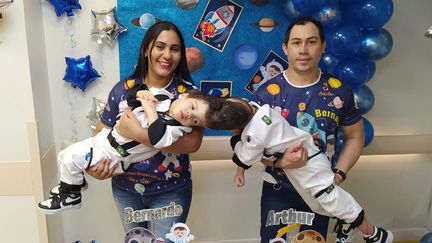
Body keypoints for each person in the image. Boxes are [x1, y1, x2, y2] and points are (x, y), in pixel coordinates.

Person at [248, 17, 381, 243]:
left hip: (320, 191)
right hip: (278, 189)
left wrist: (338, 175)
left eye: (311, 42)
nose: (303, 50)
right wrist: (280, 163)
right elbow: (252, 147)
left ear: (323, 46)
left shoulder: (340, 91)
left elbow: (355, 137)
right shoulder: (266, 94)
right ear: (285, 47)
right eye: (296, 42)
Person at [37, 83, 249, 214]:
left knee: (72, 158)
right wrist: (141, 95)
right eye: (192, 108)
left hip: (115, 155)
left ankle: (71, 197)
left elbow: (156, 137)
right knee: (65, 154)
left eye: (195, 121)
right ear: (185, 96)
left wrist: (149, 110)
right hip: (105, 140)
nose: (189, 116)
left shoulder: (175, 130)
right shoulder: (164, 100)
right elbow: (131, 99)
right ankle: (72, 187)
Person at [83, 21, 203, 241]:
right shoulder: (124, 88)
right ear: (147, 49)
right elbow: (102, 130)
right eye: (160, 46)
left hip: (171, 190)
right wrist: (95, 164)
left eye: (174, 49)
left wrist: (137, 133)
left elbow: (192, 144)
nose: (167, 55)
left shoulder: (188, 95)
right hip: (126, 189)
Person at [228, 98, 393, 243]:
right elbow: (251, 149)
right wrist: (240, 170)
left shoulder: (253, 135)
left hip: (311, 168)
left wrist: (236, 138)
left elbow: (246, 155)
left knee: (334, 201)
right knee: (320, 205)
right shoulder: (263, 106)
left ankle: (375, 234)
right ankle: (349, 222)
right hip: (291, 178)